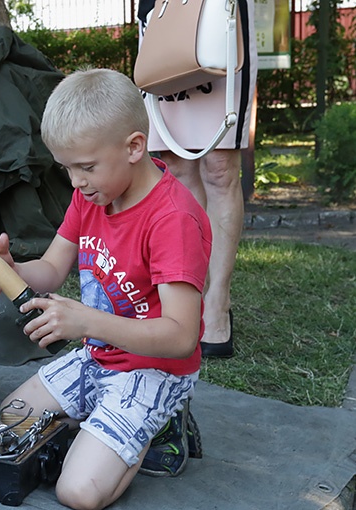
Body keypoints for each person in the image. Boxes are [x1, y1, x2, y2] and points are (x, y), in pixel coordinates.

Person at [0, 69, 212, 510]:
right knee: (9, 422)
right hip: (99, 355)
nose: (76, 182)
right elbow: (52, 269)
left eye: (86, 167)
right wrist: (11, 271)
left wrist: (85, 321)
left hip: (155, 369)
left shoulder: (172, 220)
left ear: (135, 147)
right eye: (67, 168)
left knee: (77, 492)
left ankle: (162, 424)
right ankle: (106, 425)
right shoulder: (92, 195)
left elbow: (180, 336)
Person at [137, 0, 258, 358]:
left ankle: (217, 301)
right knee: (175, 165)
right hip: (163, 14)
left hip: (217, 15)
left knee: (220, 168)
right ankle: (189, 294)